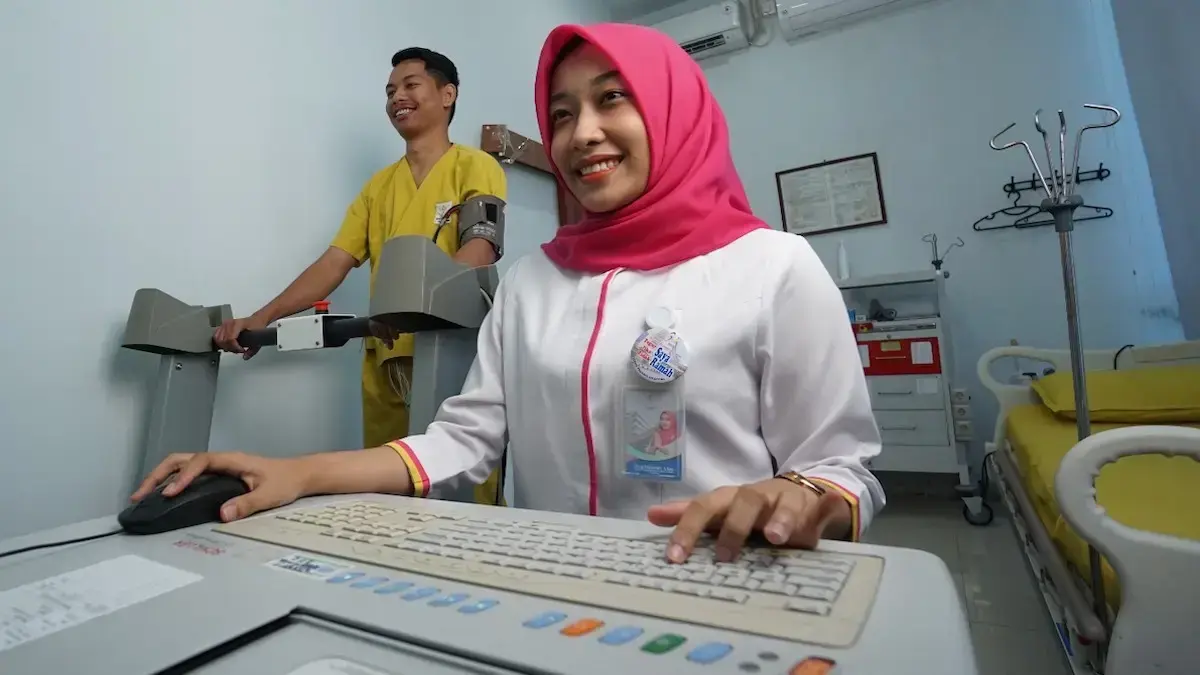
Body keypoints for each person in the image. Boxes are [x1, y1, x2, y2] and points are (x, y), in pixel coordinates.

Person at [133, 23, 885, 563]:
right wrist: (296, 470)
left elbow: (841, 469)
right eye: (561, 114)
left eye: (612, 100)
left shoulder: (774, 268)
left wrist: (801, 497)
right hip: (550, 576)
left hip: (717, 571)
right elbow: (461, 438)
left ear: (670, 110)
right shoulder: (533, 285)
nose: (582, 133)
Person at [209, 47, 508, 506]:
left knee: (460, 494)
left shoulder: (475, 166)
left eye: (410, 85)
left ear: (447, 94)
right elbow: (334, 262)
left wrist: (415, 305)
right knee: (388, 492)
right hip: (385, 357)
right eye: (390, 91)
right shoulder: (378, 187)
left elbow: (479, 249)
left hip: (453, 354)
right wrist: (261, 317)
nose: (396, 97)